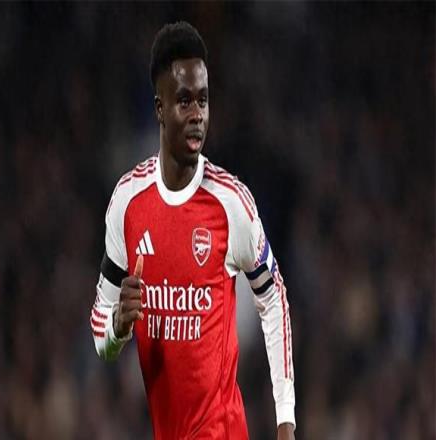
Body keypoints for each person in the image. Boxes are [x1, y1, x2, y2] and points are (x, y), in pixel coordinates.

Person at [90, 21, 296, 440]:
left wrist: (285, 419)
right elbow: (100, 334)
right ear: (159, 108)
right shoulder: (127, 203)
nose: (197, 114)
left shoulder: (231, 204)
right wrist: (119, 327)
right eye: (184, 100)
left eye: (203, 99)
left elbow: (273, 298)